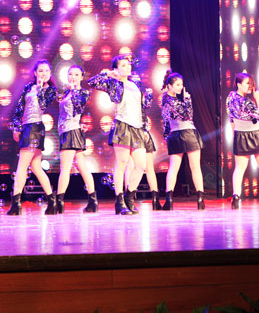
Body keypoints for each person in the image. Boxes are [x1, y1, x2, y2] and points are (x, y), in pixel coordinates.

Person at [88, 55, 151, 215]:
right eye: (123, 65)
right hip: (122, 126)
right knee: (122, 164)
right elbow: (92, 82)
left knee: (141, 165)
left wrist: (144, 128)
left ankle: (130, 197)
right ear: (116, 69)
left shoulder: (136, 83)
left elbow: (141, 107)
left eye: (128, 64)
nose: (127, 67)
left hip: (137, 127)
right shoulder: (113, 83)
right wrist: (108, 74)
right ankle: (119, 201)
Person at [7, 59, 58, 215]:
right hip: (26, 127)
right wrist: (16, 128)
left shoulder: (50, 90)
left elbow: (42, 104)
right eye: (40, 71)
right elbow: (19, 109)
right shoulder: (28, 87)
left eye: (47, 71)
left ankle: (16, 204)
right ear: (35, 73)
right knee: (36, 167)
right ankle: (52, 201)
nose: (44, 74)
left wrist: (41, 87)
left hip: (35, 127)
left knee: (22, 166)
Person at [226, 72, 259, 210]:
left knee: (240, 168)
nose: (250, 86)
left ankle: (236, 197)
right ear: (238, 84)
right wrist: (258, 99)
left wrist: (235, 133)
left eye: (251, 84)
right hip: (255, 134)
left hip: (240, 134)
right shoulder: (246, 102)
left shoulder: (230, 97)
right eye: (247, 83)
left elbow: (231, 118)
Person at [161, 70, 205, 210]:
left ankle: (169, 199)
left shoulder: (164, 100)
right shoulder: (174, 101)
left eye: (181, 84)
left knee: (174, 167)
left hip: (174, 134)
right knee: (195, 167)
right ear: (170, 86)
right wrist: (187, 99)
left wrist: (166, 136)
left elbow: (166, 122)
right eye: (178, 85)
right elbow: (188, 115)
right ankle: (200, 199)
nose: (181, 87)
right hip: (188, 133)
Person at [55, 65, 97, 213]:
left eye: (76, 74)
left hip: (71, 131)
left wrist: (73, 90)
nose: (73, 77)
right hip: (66, 131)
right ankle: (93, 200)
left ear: (81, 77)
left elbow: (78, 107)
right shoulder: (66, 93)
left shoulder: (82, 93)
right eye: (70, 74)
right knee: (82, 167)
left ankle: (58, 203)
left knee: (65, 168)